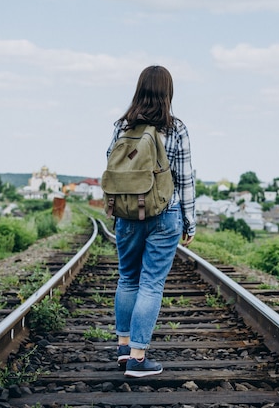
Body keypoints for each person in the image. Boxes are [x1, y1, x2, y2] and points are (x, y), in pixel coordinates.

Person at [106, 65, 196, 378]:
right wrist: (189, 220)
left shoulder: (122, 127)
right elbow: (185, 178)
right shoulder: (177, 128)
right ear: (168, 92)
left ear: (139, 89)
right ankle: (139, 358)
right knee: (151, 283)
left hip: (128, 214)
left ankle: (123, 347)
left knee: (128, 278)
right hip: (164, 212)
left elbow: (112, 166)